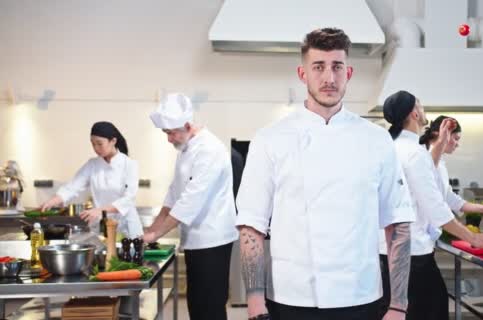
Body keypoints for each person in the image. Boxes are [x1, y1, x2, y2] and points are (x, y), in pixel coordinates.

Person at [236, 28, 415, 320]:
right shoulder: (270, 139)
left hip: (361, 294)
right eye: (318, 67)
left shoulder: (377, 140)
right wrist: (255, 302)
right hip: (291, 296)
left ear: (349, 72)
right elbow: (251, 226)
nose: (329, 78)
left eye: (337, 66)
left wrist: (398, 305)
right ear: (303, 73)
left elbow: (398, 225)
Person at [383, 91, 483, 320]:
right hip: (412, 255)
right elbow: (435, 206)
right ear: (415, 113)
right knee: (432, 310)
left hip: (385, 252)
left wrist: (439, 145)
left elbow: (424, 183)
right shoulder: (414, 153)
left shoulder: (390, 148)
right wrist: (472, 238)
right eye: (421, 106)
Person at [143, 93, 238, 320]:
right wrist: (149, 232)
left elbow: (189, 202)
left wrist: (156, 233)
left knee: (210, 307)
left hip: (213, 240)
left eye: (171, 132)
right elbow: (173, 196)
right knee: (196, 304)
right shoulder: (186, 150)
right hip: (195, 241)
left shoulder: (210, 149)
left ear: (187, 125)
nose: (169, 139)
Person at [41, 122, 143, 238]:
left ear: (113, 141)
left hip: (127, 227)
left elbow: (128, 199)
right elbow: (72, 187)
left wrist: (99, 210)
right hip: (101, 226)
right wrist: (51, 202)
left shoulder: (129, 164)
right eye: (93, 144)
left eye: (100, 144)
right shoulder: (92, 164)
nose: (96, 148)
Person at [420, 116, 483, 216]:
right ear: (439, 134)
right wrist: (468, 232)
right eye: (455, 139)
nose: (457, 144)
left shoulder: (440, 163)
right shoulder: (422, 158)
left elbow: (449, 198)